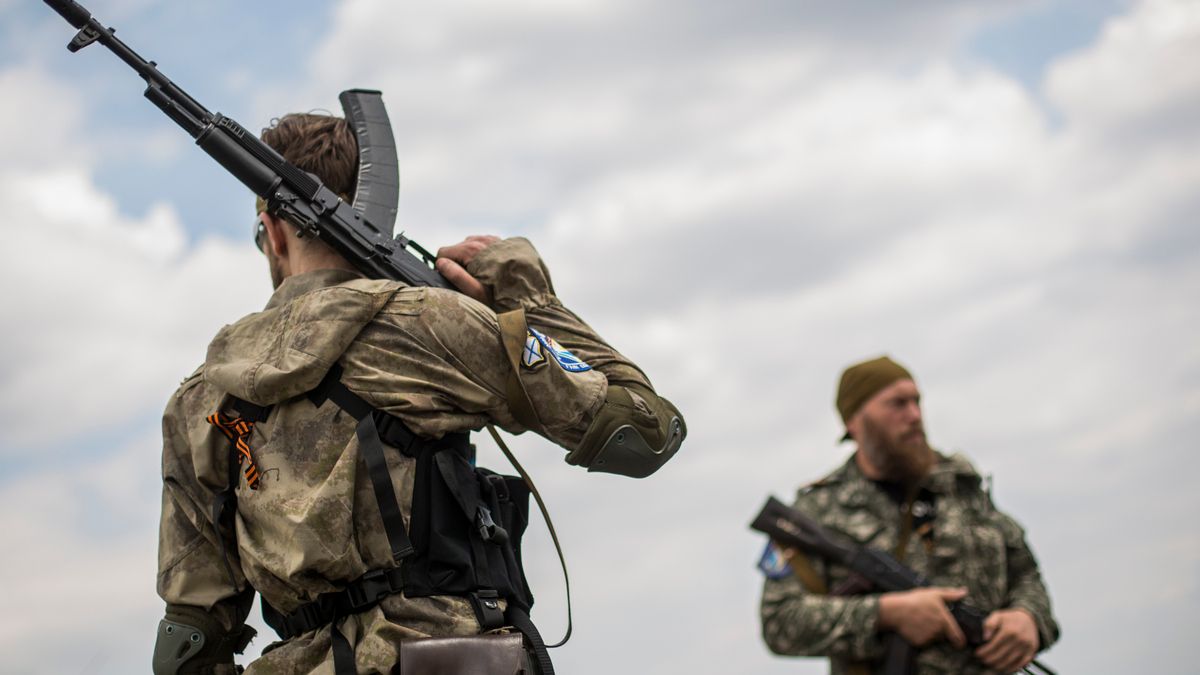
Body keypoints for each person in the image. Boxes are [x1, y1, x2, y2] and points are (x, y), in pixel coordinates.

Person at [152, 112, 686, 674]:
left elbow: (190, 636)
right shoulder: (437, 325)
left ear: (274, 230)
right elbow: (647, 433)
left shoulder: (201, 400)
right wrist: (531, 303)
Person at [759, 356, 1058, 674]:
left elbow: (1026, 576)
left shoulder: (962, 487)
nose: (914, 415)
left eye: (916, 402)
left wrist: (1028, 618)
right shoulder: (818, 511)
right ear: (854, 422)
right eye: (897, 404)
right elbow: (780, 622)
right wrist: (886, 613)